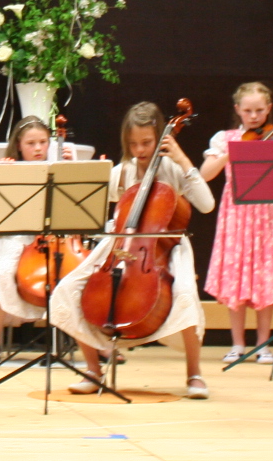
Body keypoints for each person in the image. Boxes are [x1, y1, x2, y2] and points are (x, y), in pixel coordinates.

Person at [52, 102, 214, 399]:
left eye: (147, 142)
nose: (139, 150)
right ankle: (93, 371)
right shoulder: (123, 171)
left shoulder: (172, 168)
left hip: (167, 246)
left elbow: (206, 204)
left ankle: (194, 374)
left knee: (186, 295)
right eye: (133, 144)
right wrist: (77, 170)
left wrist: (182, 159)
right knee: (67, 289)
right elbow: (92, 201)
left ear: (161, 137)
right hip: (122, 244)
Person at [200, 82, 273, 364]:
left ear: (269, 109)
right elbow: (205, 174)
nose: (254, 116)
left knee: (266, 277)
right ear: (238, 110)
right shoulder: (225, 139)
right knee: (235, 276)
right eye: (248, 111)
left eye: (259, 110)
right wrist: (232, 152)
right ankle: (237, 344)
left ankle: (263, 345)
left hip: (267, 216)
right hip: (236, 217)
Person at [0, 115, 74, 365]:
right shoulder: (10, 167)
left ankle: (97, 344)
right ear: (18, 145)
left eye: (43, 142)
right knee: (3, 272)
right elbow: (1, 213)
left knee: (79, 274)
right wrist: (4, 175)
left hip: (56, 238)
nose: (38, 148)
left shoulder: (60, 166)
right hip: (19, 237)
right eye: (31, 143)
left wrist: (72, 169)